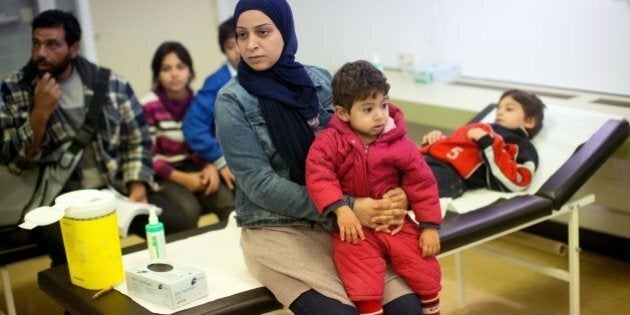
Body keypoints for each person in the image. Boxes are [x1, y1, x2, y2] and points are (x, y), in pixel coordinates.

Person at [215, 0, 424, 314]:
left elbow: (372, 144)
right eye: (242, 35)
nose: (251, 44)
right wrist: (348, 206)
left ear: (285, 31)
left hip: (346, 222)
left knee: (407, 308)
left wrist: (398, 194)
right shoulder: (232, 100)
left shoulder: (321, 81)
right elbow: (260, 185)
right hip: (277, 228)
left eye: (263, 32)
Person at [0, 9, 185, 266]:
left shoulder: (110, 83)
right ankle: (79, 305)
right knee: (70, 247)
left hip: (114, 186)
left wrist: (137, 185)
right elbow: (14, 162)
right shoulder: (15, 88)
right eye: (36, 43)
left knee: (177, 223)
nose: (40, 52)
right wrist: (39, 115)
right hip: (55, 198)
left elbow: (138, 137)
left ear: (73, 48)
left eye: (52, 44)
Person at [306, 60, 442, 315]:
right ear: (343, 113)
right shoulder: (329, 143)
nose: (380, 115)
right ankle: (370, 310)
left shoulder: (398, 142)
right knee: (359, 273)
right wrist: (340, 209)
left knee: (423, 265)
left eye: (383, 105)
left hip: (395, 222)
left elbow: (422, 183)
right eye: (368, 109)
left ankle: (432, 307)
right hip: (355, 226)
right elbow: (319, 176)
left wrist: (430, 226)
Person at [141, 41, 234, 229]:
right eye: (166, 68)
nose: (174, 74)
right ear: (157, 74)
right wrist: (183, 178)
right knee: (188, 211)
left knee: (227, 201)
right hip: (165, 174)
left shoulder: (198, 102)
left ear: (190, 72)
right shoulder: (148, 105)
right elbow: (148, 156)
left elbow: (205, 140)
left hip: (196, 166)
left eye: (180, 67)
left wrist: (210, 166)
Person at [420, 89, 546, 198]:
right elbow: (456, 147)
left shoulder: (521, 145)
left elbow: (517, 181)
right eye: (499, 108)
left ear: (529, 121)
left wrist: (488, 143)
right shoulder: (483, 127)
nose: (499, 112)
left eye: (509, 109)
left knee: (413, 184)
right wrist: (435, 140)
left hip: (451, 173)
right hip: (427, 159)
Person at [182, 17, 239, 195]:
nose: (238, 50)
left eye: (242, 40)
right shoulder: (217, 83)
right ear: (224, 51)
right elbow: (193, 126)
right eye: (230, 46)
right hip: (235, 162)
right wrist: (219, 160)